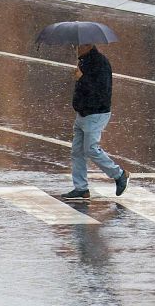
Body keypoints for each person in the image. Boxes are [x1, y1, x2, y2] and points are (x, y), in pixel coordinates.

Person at [61, 44, 130, 201]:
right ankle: (81, 188)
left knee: (91, 149)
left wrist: (82, 78)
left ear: (87, 45)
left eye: (78, 45)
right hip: (82, 113)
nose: (76, 48)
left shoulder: (100, 63)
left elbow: (101, 91)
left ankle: (119, 174)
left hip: (96, 113)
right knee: (77, 152)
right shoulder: (83, 61)